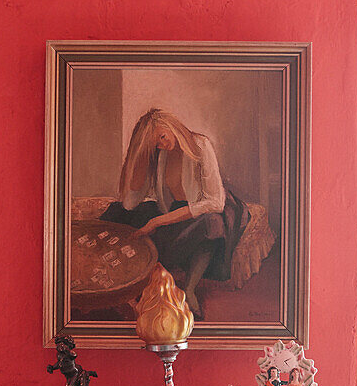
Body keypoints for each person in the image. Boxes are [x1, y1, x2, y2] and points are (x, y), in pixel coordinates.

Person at [101, 109, 250, 315]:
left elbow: (215, 201)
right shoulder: (161, 153)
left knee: (212, 223)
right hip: (175, 211)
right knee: (118, 212)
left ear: (172, 126)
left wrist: (158, 222)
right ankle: (115, 280)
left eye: (162, 137)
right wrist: (139, 160)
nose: (161, 145)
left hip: (204, 209)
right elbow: (129, 202)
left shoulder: (200, 145)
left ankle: (189, 289)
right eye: (156, 143)